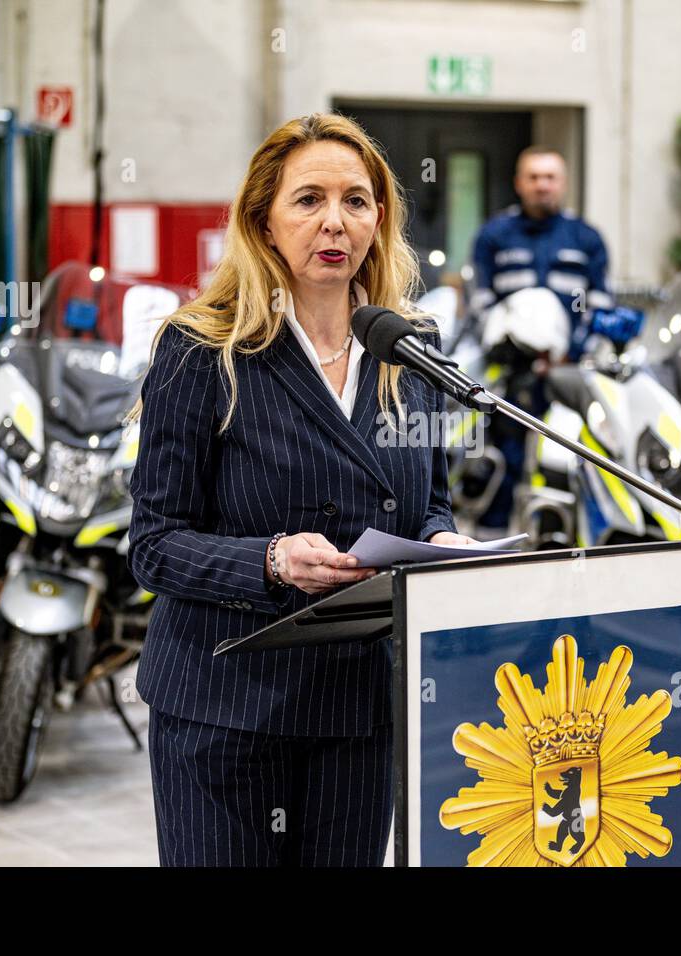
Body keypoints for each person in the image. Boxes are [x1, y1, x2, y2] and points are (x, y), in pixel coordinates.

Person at [127, 113, 474, 866]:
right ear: (263, 220)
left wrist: (443, 540)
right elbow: (153, 545)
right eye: (309, 199)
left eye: (356, 200)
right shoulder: (203, 348)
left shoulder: (410, 349)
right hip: (226, 705)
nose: (335, 222)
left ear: (380, 220)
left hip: (355, 706)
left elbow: (430, 500)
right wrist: (271, 561)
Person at [469, 146, 613, 531]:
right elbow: (481, 302)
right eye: (533, 177)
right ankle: (489, 551)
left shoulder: (586, 238)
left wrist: (572, 354)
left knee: (564, 460)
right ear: (519, 184)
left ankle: (554, 542)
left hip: (568, 376)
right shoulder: (494, 235)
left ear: (562, 184)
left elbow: (600, 303)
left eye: (550, 178)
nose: (542, 186)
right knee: (501, 459)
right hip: (507, 376)